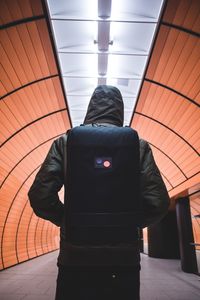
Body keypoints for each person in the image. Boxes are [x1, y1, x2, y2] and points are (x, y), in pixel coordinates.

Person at [28, 85, 169, 300]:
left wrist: (67, 220)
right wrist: (131, 223)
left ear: (90, 107)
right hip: (124, 257)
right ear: (119, 109)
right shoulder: (138, 146)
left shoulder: (66, 143)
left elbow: (40, 196)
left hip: (75, 255)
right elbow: (158, 202)